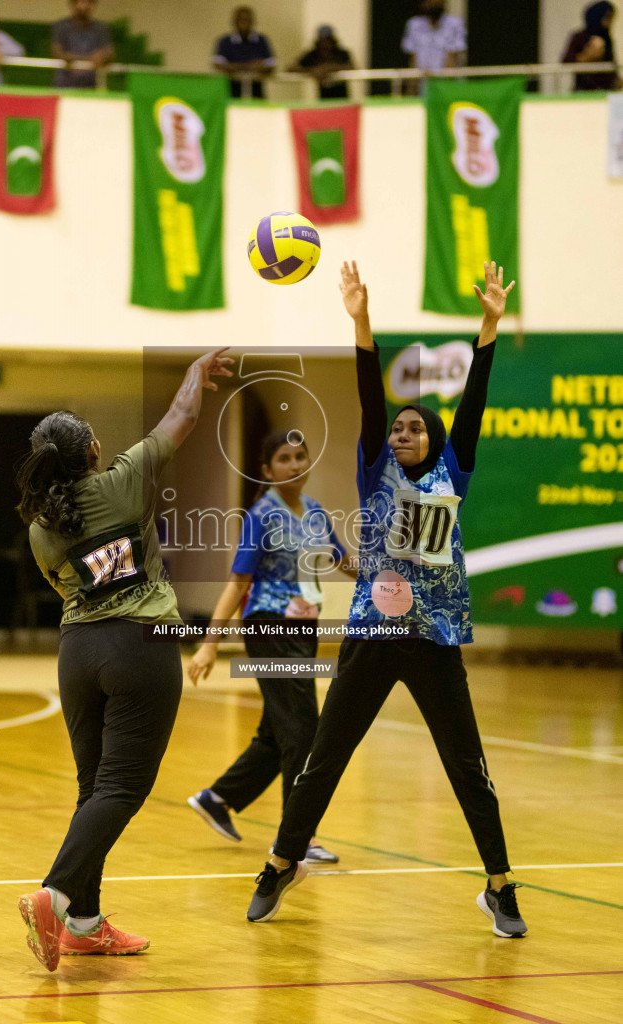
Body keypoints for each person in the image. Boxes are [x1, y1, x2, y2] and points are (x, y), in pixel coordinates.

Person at [246, 261, 528, 941]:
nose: (400, 432)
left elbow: (475, 400)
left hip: (434, 641)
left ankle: (498, 886)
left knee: (468, 768)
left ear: (431, 439)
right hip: (370, 636)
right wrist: (359, 321)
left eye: (412, 428)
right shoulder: (373, 466)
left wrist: (489, 323)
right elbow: (368, 396)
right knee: (323, 759)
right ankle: (281, 862)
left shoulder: (450, 471)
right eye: (394, 428)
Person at [15, 348, 233, 972]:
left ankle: (83, 922)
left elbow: (65, 587)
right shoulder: (123, 480)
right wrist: (197, 371)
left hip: (78, 652)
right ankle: (55, 896)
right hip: (141, 645)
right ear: (89, 452)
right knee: (122, 788)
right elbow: (182, 415)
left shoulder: (39, 526)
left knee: (94, 789)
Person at [188, 430, 356, 863]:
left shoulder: (316, 513)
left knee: (278, 730)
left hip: (304, 632)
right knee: (303, 729)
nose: (295, 465)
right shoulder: (261, 515)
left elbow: (342, 560)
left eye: (301, 456)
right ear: (266, 469)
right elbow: (238, 582)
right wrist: (209, 644)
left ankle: (218, 799)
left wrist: (389, 580)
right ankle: (298, 838)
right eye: (284, 458)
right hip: (268, 629)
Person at [401, 0, 466, 95]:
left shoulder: (455, 24)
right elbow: (413, 62)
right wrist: (411, 90)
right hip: (422, 86)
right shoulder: (414, 24)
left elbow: (451, 60)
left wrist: (438, 81)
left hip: (447, 87)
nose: (433, 3)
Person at [212, 6, 276, 99]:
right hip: (231, 93)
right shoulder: (225, 41)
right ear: (234, 21)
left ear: (252, 22)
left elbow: (271, 65)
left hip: (256, 93)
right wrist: (248, 66)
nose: (244, 23)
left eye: (247, 20)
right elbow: (218, 64)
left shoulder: (262, 40)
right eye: (241, 20)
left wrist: (232, 66)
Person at [52, 0, 114, 90]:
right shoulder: (61, 26)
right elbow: (57, 53)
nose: (84, 6)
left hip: (90, 87)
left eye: (87, 2)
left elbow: (109, 54)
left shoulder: (101, 28)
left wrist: (72, 58)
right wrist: (90, 59)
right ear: (73, 4)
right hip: (64, 86)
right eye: (80, 2)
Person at [562, 2, 620, 92]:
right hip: (584, 91)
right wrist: (586, 57)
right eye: (606, 17)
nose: (608, 23)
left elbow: (611, 64)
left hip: (606, 90)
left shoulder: (607, 38)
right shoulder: (580, 37)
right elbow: (566, 61)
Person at [288, 25, 354, 101]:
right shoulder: (312, 54)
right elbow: (291, 68)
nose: (326, 44)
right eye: (323, 40)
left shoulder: (342, 53)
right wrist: (313, 71)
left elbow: (352, 67)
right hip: (323, 99)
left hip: (342, 98)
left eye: (328, 40)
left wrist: (328, 68)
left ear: (333, 41)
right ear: (318, 41)